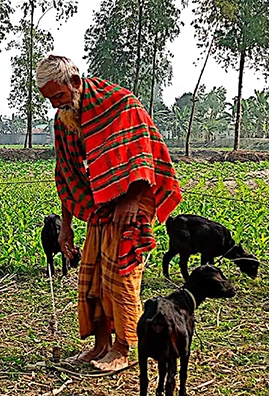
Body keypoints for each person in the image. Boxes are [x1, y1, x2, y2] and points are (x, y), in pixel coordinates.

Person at [38, 54, 182, 373]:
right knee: (92, 275)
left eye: (58, 96)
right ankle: (100, 345)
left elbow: (144, 153)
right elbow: (68, 174)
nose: (54, 105)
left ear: (75, 83)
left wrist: (131, 199)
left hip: (133, 199)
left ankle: (123, 348)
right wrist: (66, 227)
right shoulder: (64, 118)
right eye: (49, 99)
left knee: (121, 274)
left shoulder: (120, 104)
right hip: (100, 204)